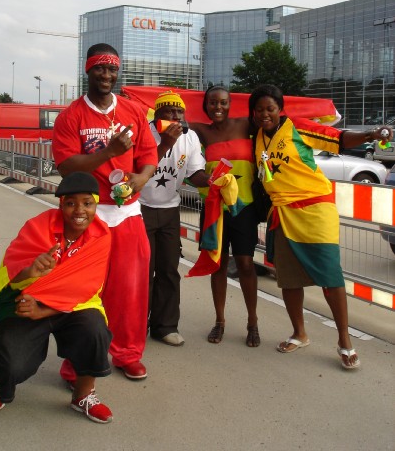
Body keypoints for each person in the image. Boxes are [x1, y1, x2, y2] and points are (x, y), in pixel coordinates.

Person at [248, 84, 393, 369]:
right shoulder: (256, 135)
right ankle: (300, 333)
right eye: (259, 110)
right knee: (288, 278)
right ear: (253, 113)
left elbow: (338, 139)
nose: (265, 114)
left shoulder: (297, 127)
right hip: (284, 214)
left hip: (315, 209)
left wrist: (369, 135)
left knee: (330, 276)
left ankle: (345, 342)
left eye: (270, 109)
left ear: (280, 110)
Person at [0, 171, 114, 423]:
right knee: (11, 360)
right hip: (26, 304)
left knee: (94, 330)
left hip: (71, 307)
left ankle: (83, 394)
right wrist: (31, 271)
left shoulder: (102, 236)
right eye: (71, 203)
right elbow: (11, 278)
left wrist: (44, 309)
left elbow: (86, 288)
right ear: (61, 205)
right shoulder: (38, 227)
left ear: (96, 204)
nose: (79, 210)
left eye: (87, 202)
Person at [52, 43, 157, 380]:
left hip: (127, 213)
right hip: (87, 216)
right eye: (100, 68)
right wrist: (108, 151)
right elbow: (67, 166)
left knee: (131, 288)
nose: (107, 75)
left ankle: (127, 354)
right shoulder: (72, 116)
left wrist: (141, 178)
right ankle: (77, 362)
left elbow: (148, 156)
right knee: (83, 289)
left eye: (112, 69)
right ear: (88, 70)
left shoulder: (133, 111)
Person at [191, 85, 260, 347]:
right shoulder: (201, 131)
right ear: (205, 105)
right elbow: (168, 119)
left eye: (222, 103)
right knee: (217, 265)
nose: (217, 107)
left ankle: (252, 322)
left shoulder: (247, 125)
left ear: (230, 104)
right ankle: (219, 321)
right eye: (212, 103)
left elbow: (275, 119)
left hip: (244, 208)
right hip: (214, 210)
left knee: (245, 264)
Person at [140, 90, 210, 347]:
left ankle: (165, 326)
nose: (175, 116)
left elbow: (195, 173)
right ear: (156, 114)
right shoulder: (143, 132)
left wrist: (212, 182)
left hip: (170, 209)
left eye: (179, 112)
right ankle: (137, 325)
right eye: (168, 112)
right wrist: (165, 144)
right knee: (142, 271)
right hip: (140, 207)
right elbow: (139, 169)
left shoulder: (190, 137)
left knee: (169, 270)